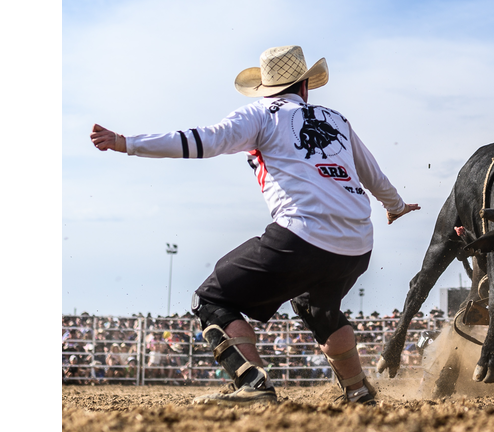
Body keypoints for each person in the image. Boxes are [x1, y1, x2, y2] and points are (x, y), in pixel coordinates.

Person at [90, 45, 420, 406]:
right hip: (358, 242)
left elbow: (204, 140)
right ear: (305, 86)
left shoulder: (261, 114)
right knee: (318, 306)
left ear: (264, 87)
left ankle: (253, 382)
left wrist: (128, 143)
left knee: (211, 298)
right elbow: (372, 173)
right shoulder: (336, 119)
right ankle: (358, 391)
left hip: (303, 233)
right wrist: (396, 206)